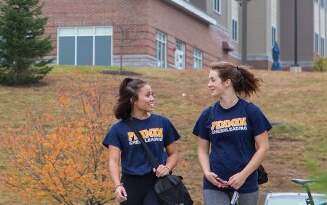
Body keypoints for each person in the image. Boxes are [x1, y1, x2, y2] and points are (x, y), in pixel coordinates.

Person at [192, 62, 271, 205]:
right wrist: (207, 173)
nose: (209, 84)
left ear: (227, 82)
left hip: (246, 184)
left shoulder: (251, 111)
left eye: (213, 80)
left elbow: (263, 148)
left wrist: (243, 175)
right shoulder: (207, 114)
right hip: (214, 185)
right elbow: (202, 150)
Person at [103, 77, 181, 204]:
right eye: (148, 95)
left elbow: (173, 154)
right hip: (130, 184)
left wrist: (167, 167)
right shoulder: (118, 129)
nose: (152, 99)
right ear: (133, 99)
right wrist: (117, 185)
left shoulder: (162, 122)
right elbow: (113, 161)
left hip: (156, 183)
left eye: (152, 94)